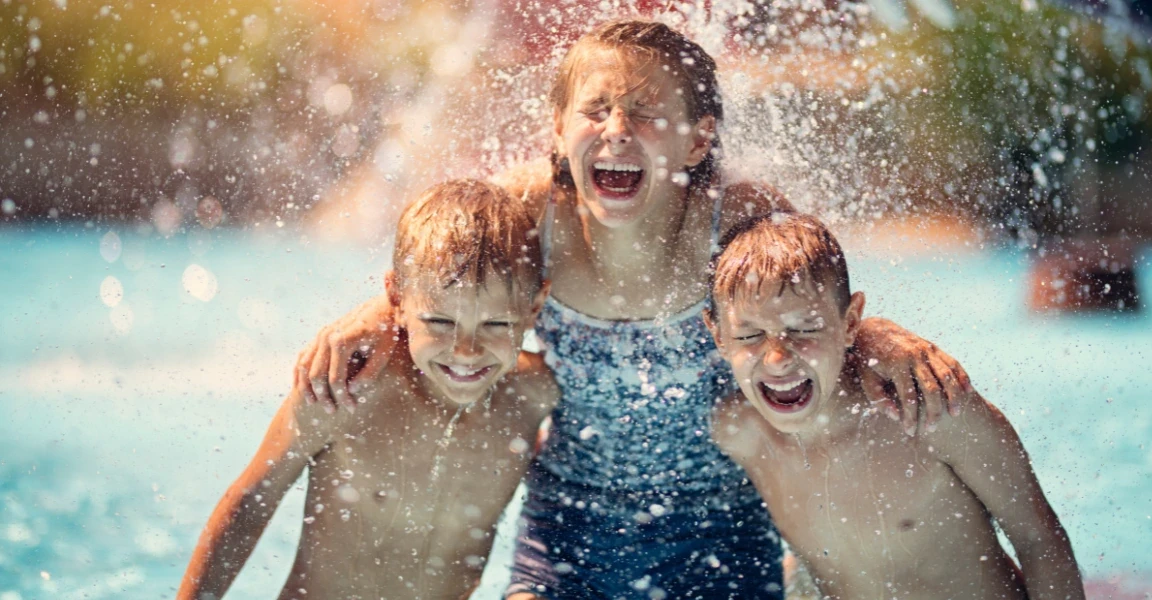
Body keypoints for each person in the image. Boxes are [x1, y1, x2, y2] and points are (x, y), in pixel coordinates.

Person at [295, 20, 975, 599]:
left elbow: (816, 305)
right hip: (568, 529)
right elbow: (440, 280)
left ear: (699, 140)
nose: (618, 131)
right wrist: (373, 318)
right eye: (596, 111)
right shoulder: (533, 213)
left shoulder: (733, 217)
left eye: (647, 114)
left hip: (724, 530)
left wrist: (878, 336)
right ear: (559, 131)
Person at [178, 180, 559, 600]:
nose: (465, 351)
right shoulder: (349, 387)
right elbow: (252, 500)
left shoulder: (535, 395)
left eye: (496, 325)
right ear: (395, 298)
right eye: (439, 323)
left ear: (534, 308)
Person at [704, 212, 1085, 599]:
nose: (777, 358)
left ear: (851, 322)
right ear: (717, 336)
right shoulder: (739, 433)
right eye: (750, 335)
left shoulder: (932, 412)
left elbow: (1040, 540)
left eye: (805, 330)